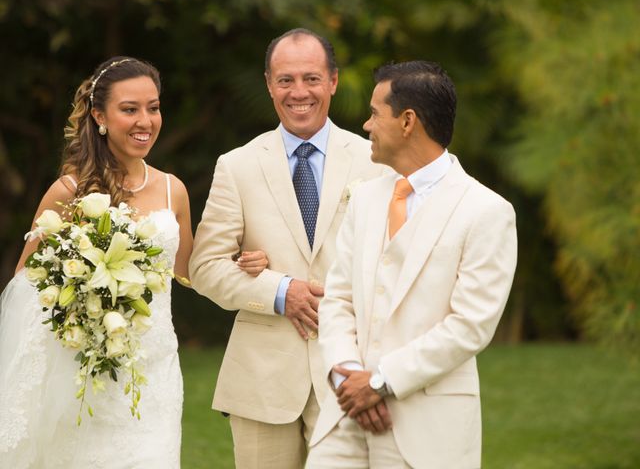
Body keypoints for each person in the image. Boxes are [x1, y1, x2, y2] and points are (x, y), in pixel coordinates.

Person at [0, 56, 266, 468]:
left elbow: (189, 271)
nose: (146, 120)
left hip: (155, 372)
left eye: (153, 107)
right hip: (86, 375)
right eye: (130, 109)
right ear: (99, 115)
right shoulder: (69, 191)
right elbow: (26, 278)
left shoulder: (171, 190)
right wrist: (82, 301)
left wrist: (239, 261)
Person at [306, 61, 518, 468]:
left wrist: (381, 382)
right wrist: (349, 376)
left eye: (374, 114)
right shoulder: (366, 198)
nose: (366, 126)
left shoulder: (486, 211)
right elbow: (337, 300)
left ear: (407, 121)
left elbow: (470, 325)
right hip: (345, 418)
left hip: (427, 431)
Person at [189, 28, 384, 468]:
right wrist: (280, 291)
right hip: (262, 383)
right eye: (285, 80)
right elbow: (204, 267)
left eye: (311, 79)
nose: (299, 92)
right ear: (268, 83)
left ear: (333, 81)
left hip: (348, 373)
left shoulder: (375, 161)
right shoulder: (236, 165)